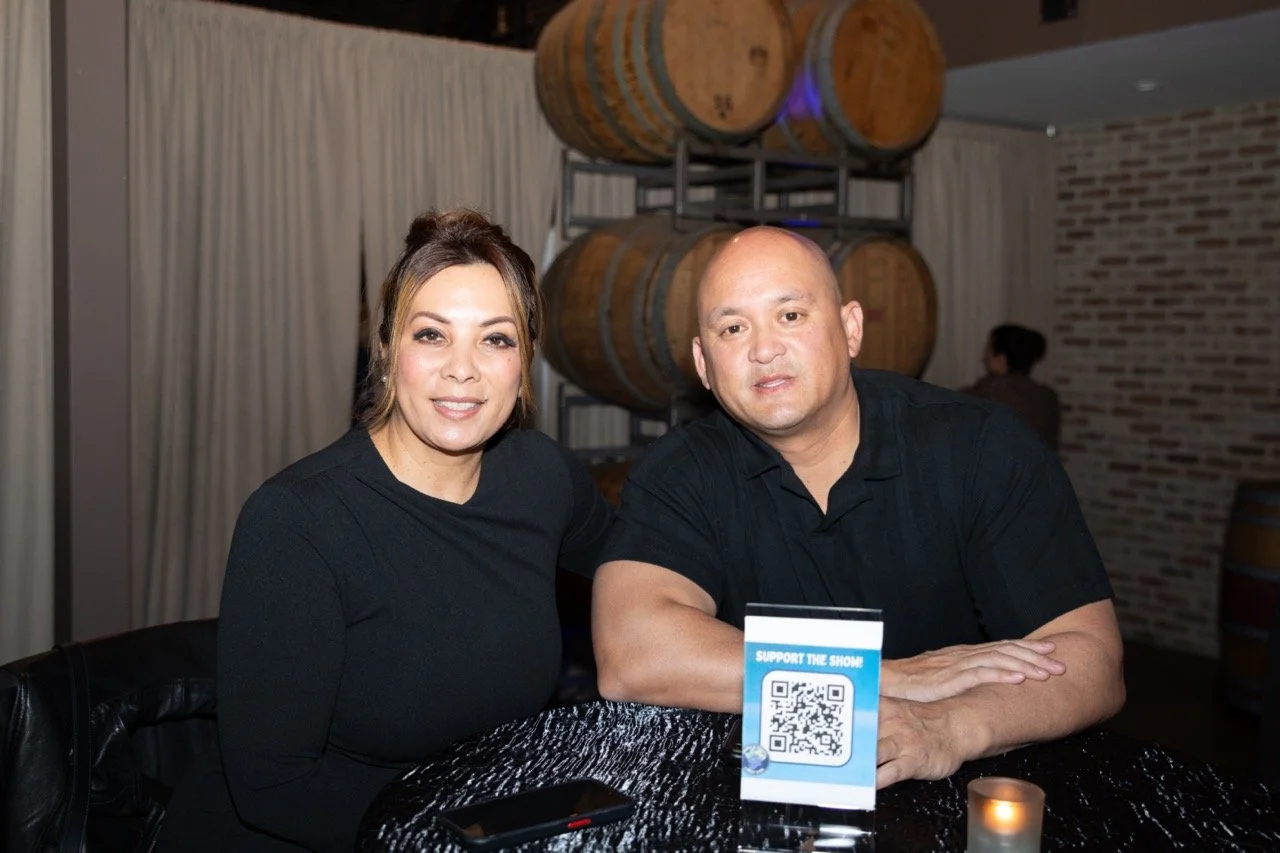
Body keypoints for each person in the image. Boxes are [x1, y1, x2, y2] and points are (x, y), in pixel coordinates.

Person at [591, 227, 1124, 790]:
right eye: (733, 328)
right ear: (703, 363)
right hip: (762, 793)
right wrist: (877, 678)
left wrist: (948, 725)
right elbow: (632, 653)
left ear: (851, 329)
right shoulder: (680, 469)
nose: (763, 349)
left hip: (968, 790)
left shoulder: (979, 446)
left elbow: (1092, 659)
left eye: (790, 316)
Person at [160, 210, 613, 852]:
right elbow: (273, 785)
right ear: (386, 350)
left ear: (525, 361)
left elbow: (645, 568)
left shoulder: (543, 477)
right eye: (431, 335)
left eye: (496, 339)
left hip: (477, 821)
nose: (462, 369)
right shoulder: (298, 520)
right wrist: (461, 836)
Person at [963, 324, 1061, 451]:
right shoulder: (1048, 396)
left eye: (988, 351)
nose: (984, 358)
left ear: (1001, 358)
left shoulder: (988, 392)